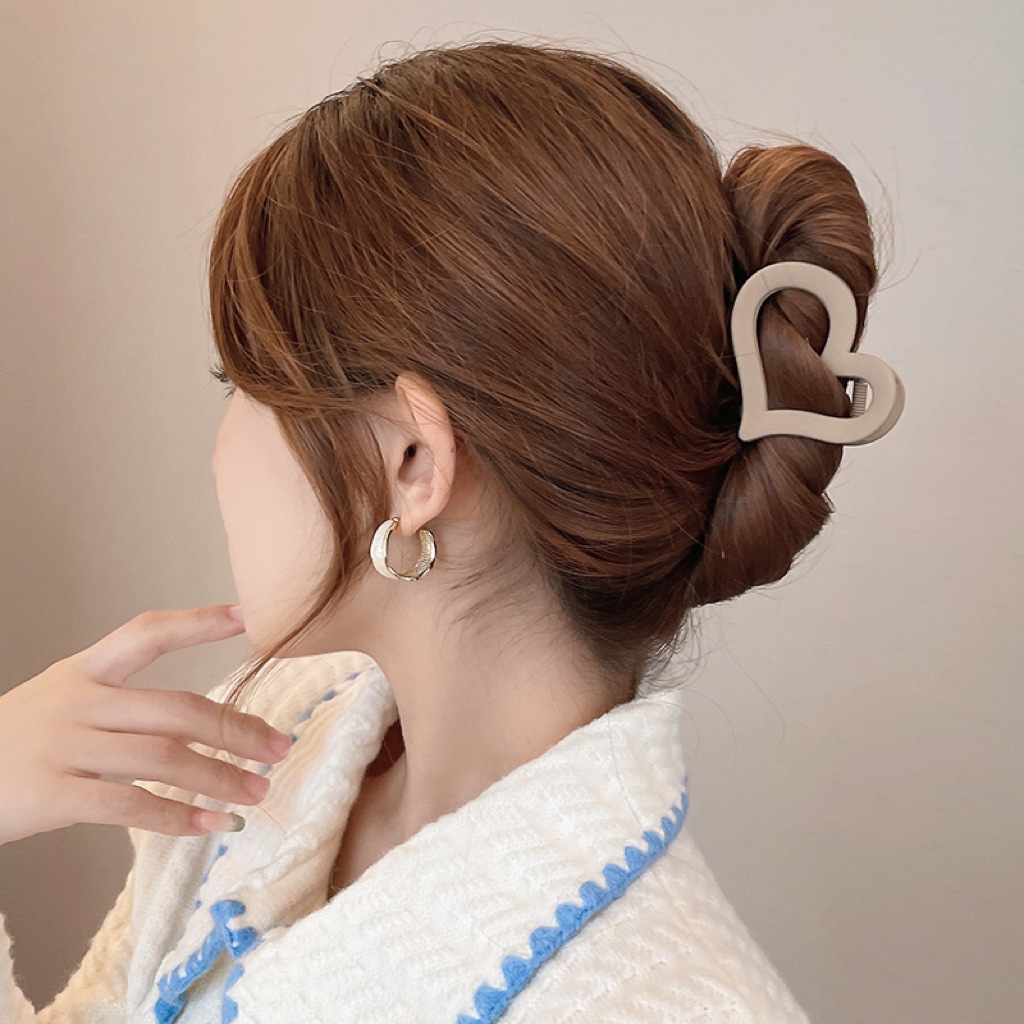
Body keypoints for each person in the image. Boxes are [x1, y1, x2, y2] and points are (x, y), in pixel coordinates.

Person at [0, 39, 905, 1024]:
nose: (221, 449)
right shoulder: (274, 743)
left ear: (413, 463)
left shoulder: (664, 1005)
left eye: (243, 384)